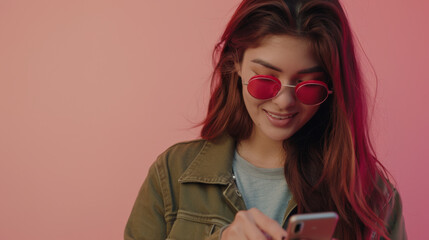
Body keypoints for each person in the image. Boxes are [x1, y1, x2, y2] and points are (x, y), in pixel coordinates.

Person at [124, 0, 407, 239]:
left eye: (309, 87)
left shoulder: (372, 195)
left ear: (332, 88)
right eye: (266, 80)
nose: (284, 102)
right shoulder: (172, 175)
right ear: (235, 64)